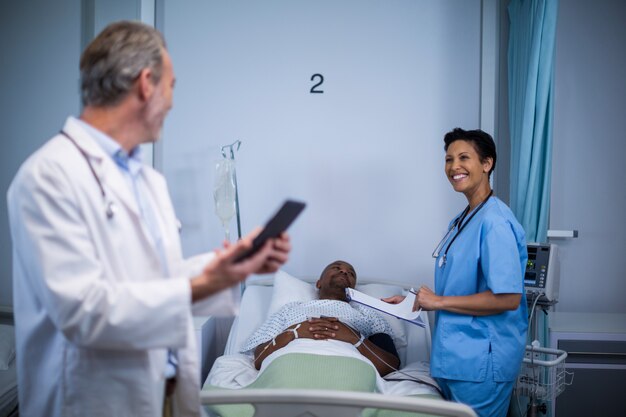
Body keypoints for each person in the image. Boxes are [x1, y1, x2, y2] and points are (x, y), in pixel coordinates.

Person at [6, 20, 290, 417]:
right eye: (171, 85)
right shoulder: (49, 176)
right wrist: (209, 281)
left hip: (161, 393)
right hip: (90, 402)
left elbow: (156, 278)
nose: (173, 101)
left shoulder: (147, 180)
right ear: (145, 83)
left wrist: (232, 264)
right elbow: (84, 313)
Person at [383, 128, 528, 417]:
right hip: (457, 360)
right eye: (449, 159)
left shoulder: (495, 223)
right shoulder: (462, 220)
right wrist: (415, 301)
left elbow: (508, 298)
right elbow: (460, 288)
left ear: (487, 164)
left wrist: (438, 302)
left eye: (464, 158)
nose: (454, 167)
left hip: (482, 364)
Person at [242, 260, 400, 376]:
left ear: (354, 289)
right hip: (290, 364)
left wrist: (354, 338)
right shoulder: (290, 309)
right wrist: (294, 332)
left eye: (350, 273)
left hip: (348, 368)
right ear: (318, 283)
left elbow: (391, 366)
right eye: (336, 268)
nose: (344, 272)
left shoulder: (368, 315)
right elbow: (259, 359)